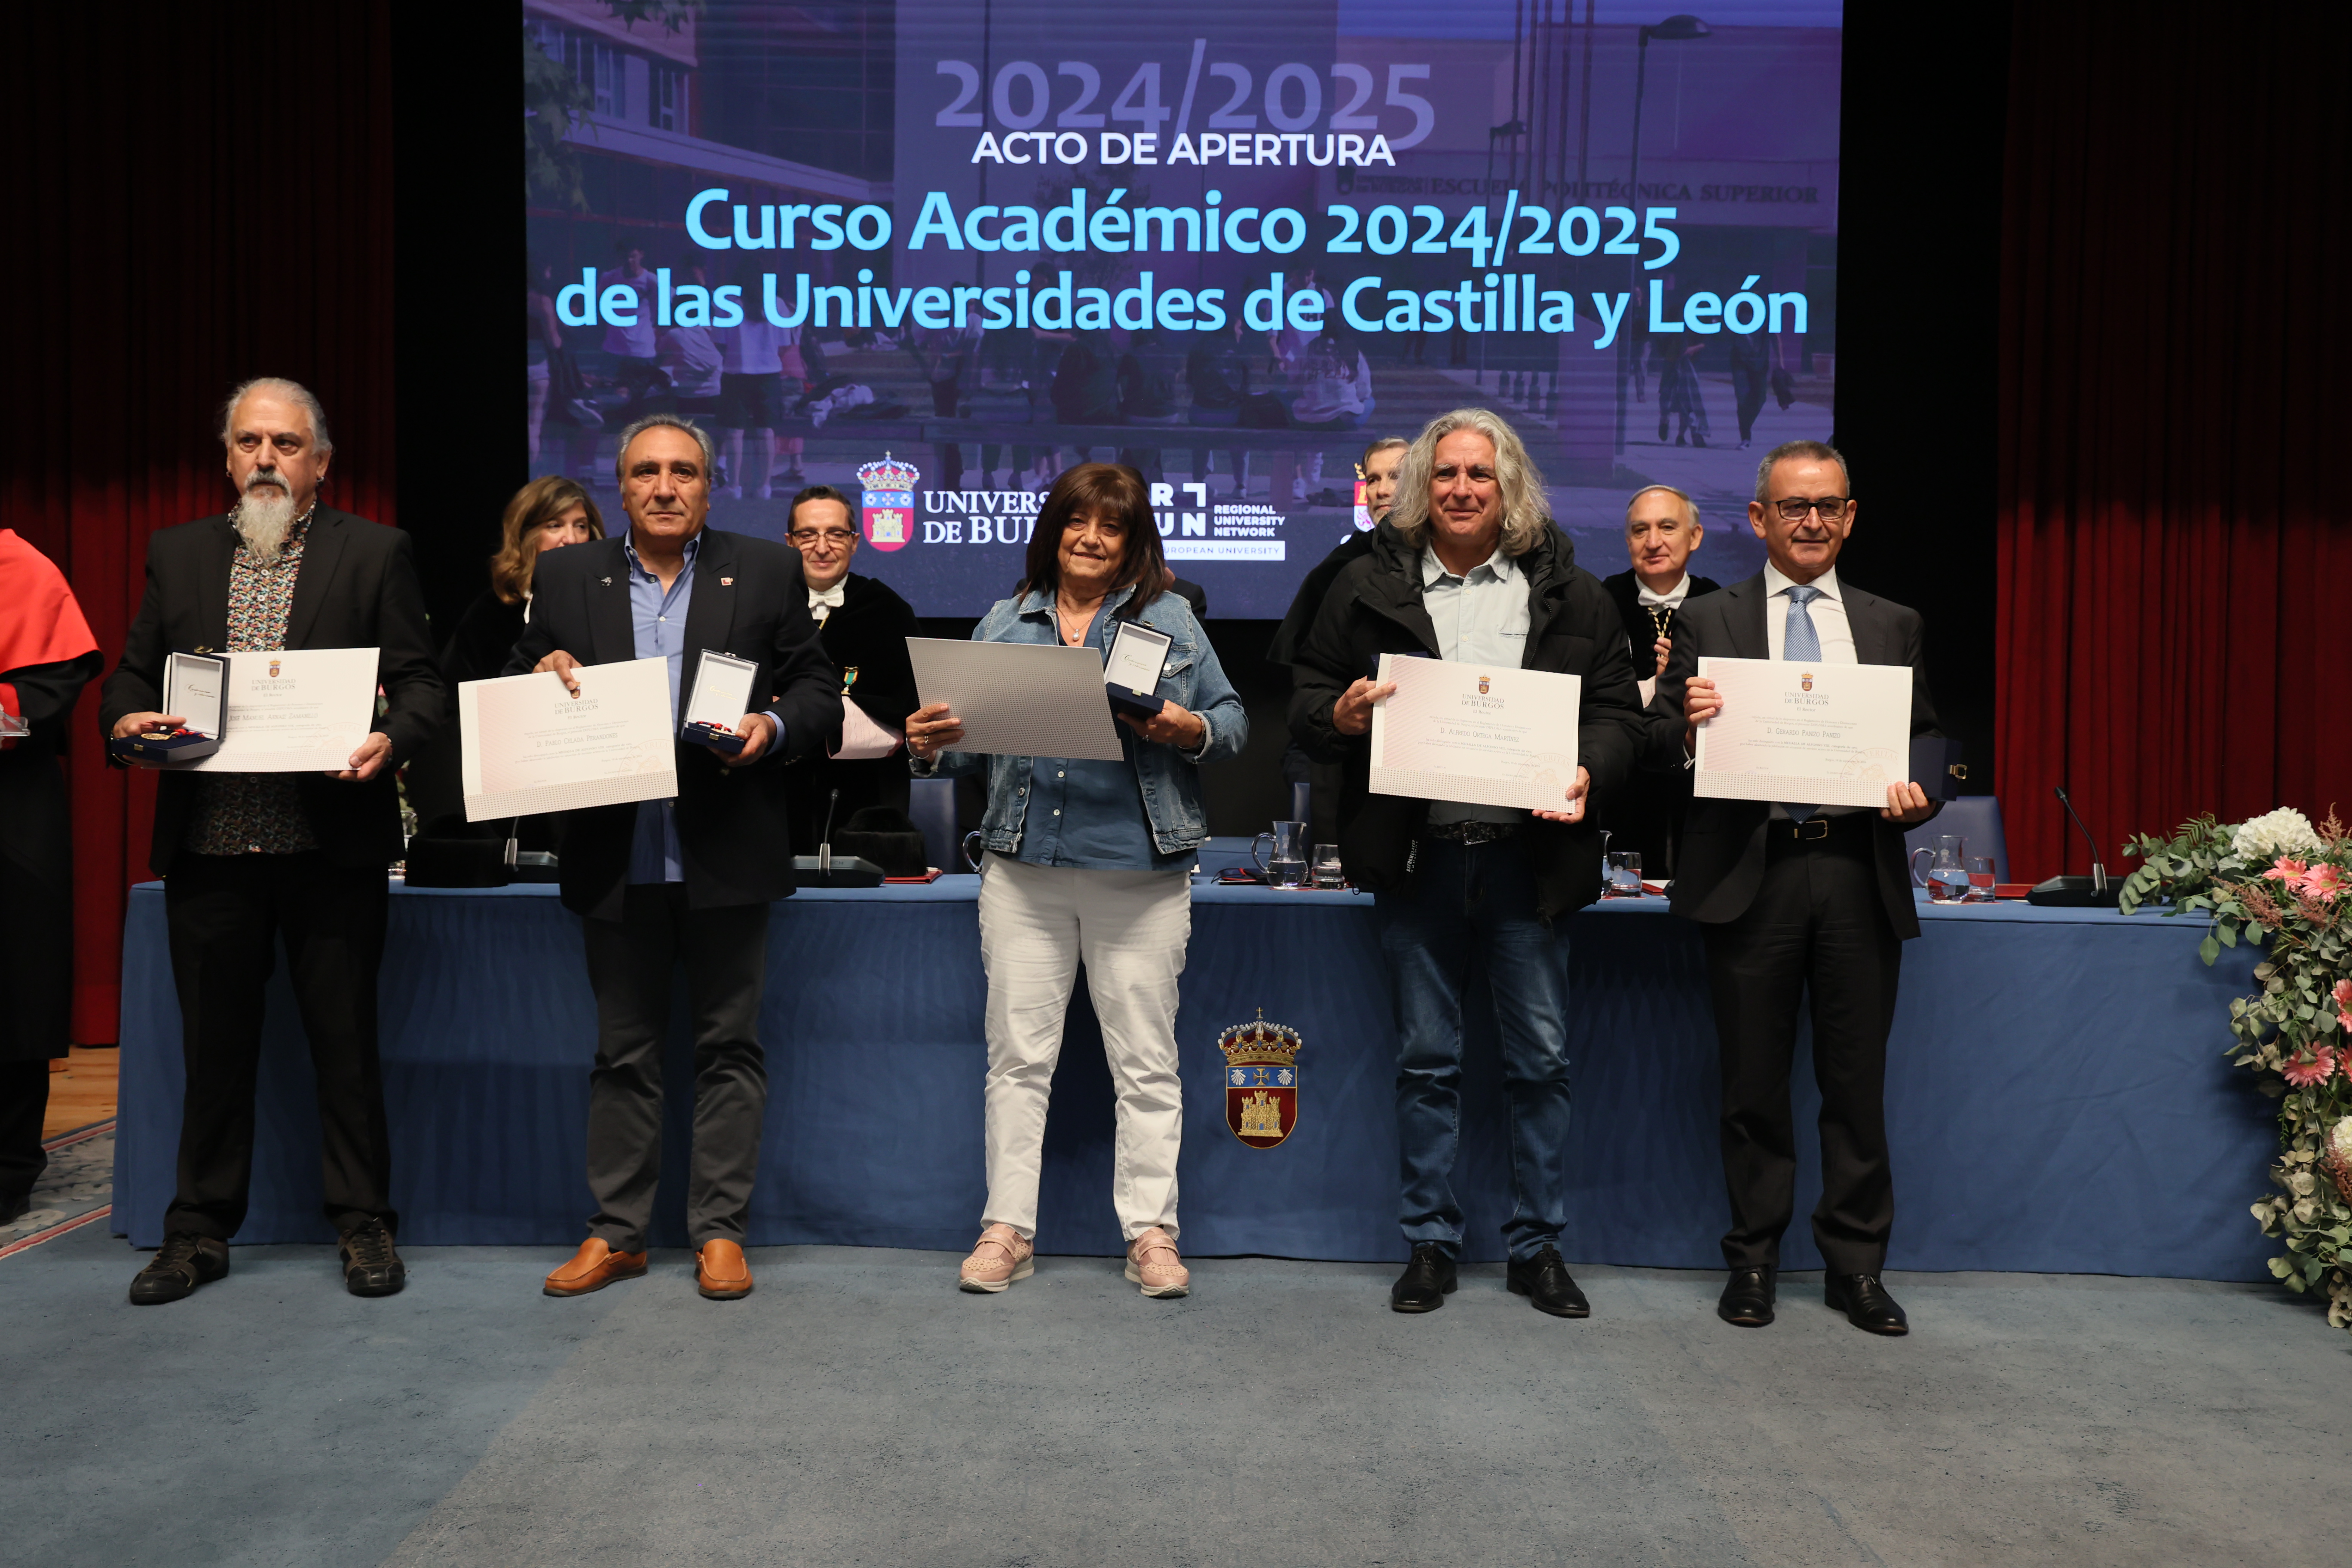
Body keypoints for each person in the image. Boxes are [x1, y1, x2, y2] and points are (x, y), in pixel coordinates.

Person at [1287, 409, 1643, 1318]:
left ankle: (1538, 1247)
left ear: (1508, 485)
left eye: (1479, 474)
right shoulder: (1363, 584)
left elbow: (1618, 714)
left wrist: (1588, 767)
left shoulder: (1570, 591)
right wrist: (1340, 716)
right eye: (1444, 473)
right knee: (1426, 1062)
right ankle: (1430, 1244)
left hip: (1532, 863)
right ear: (1420, 485)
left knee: (1541, 1063)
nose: (1460, 488)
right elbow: (1306, 699)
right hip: (1421, 862)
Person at [100, 378, 443, 1304]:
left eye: (286, 444)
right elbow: (132, 675)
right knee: (214, 1055)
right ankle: (198, 1231)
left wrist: (392, 740)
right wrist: (125, 721)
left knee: (346, 1050)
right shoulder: (177, 553)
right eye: (249, 442)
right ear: (227, 457)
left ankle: (363, 1224)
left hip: (331, 849)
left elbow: (422, 686)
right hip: (210, 849)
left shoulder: (374, 552)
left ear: (320, 463)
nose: (266, 459)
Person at [511, 415, 839, 1304]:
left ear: (710, 486)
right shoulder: (567, 573)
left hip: (726, 848)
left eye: (684, 472)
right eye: (647, 472)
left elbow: (817, 687)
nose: (665, 487)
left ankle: (720, 1232)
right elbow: (517, 673)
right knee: (624, 1054)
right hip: (614, 851)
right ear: (621, 487)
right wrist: (538, 671)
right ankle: (617, 1233)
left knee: (729, 1047)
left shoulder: (763, 568)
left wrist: (773, 725)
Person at [905, 463, 1246, 1299]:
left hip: (1140, 878)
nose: (1091, 539)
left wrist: (1184, 726)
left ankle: (1152, 1234)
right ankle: (1007, 1230)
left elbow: (1233, 725)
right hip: (1025, 875)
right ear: (1053, 531)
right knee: (1017, 1061)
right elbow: (963, 747)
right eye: (1077, 522)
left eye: (1111, 526)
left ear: (1132, 543)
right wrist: (927, 744)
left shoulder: (1170, 620)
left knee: (1147, 1065)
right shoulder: (1004, 620)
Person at [1651, 439, 1941, 1337]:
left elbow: (1925, 739)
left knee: (1855, 1085)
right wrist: (1688, 729)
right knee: (1752, 1085)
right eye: (1792, 506)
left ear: (1849, 517)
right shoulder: (1709, 619)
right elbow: (1654, 740)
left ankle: (1857, 1268)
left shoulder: (1893, 623)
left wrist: (1922, 791)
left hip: (1857, 870)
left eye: (1826, 506)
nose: (1810, 521)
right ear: (1758, 518)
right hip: (1753, 872)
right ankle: (1753, 1261)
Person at [403, 478, 607, 832]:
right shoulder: (491, 615)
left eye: (581, 526)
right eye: (554, 526)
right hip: (508, 799)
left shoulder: (610, 611)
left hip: (593, 790)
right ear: (525, 535)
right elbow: (457, 714)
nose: (570, 539)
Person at [0, 531, 101, 1225]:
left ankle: (7, 1166)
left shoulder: (18, 566)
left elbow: (50, 689)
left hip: (9, 811)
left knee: (12, 987)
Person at [780, 483, 921, 849]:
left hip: (867, 794)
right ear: (790, 542)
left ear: (855, 542)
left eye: (836, 534)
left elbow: (907, 710)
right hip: (776, 791)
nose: (822, 547)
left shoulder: (889, 612)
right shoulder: (761, 606)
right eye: (808, 535)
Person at [1598, 484, 1721, 876]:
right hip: (1622, 775)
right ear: (1628, 541)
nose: (1653, 542)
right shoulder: (1600, 601)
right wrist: (1657, 687)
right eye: (1640, 530)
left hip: (1696, 781)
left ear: (1695, 537)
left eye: (1667, 527)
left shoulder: (1720, 605)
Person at [1186, 316, 1253, 499]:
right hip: (1231, 415)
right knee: (1240, 438)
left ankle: (1199, 482)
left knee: (1201, 437)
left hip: (1201, 414)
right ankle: (1241, 485)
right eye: (1239, 328)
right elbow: (1246, 390)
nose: (1242, 332)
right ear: (1231, 331)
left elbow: (1190, 385)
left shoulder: (1199, 350)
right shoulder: (1241, 353)